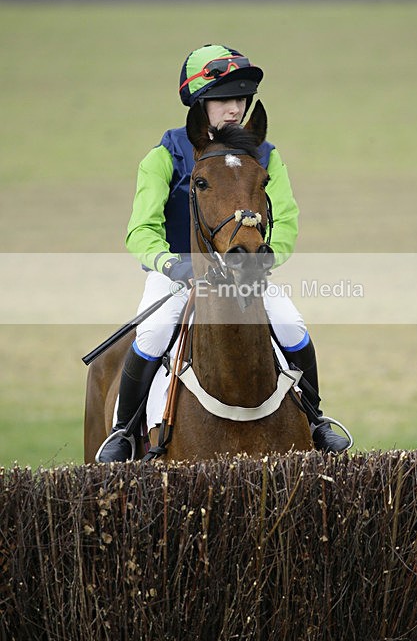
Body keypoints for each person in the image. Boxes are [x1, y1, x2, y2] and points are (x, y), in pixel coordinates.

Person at [96, 44, 351, 462]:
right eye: (222, 99)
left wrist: (270, 256)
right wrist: (172, 264)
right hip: (178, 273)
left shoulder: (266, 155)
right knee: (154, 332)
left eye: (240, 99)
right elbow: (140, 230)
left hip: (247, 269)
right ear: (200, 104)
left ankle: (318, 422)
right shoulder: (163, 157)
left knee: (291, 326)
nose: (233, 109)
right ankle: (123, 433)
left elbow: (285, 218)